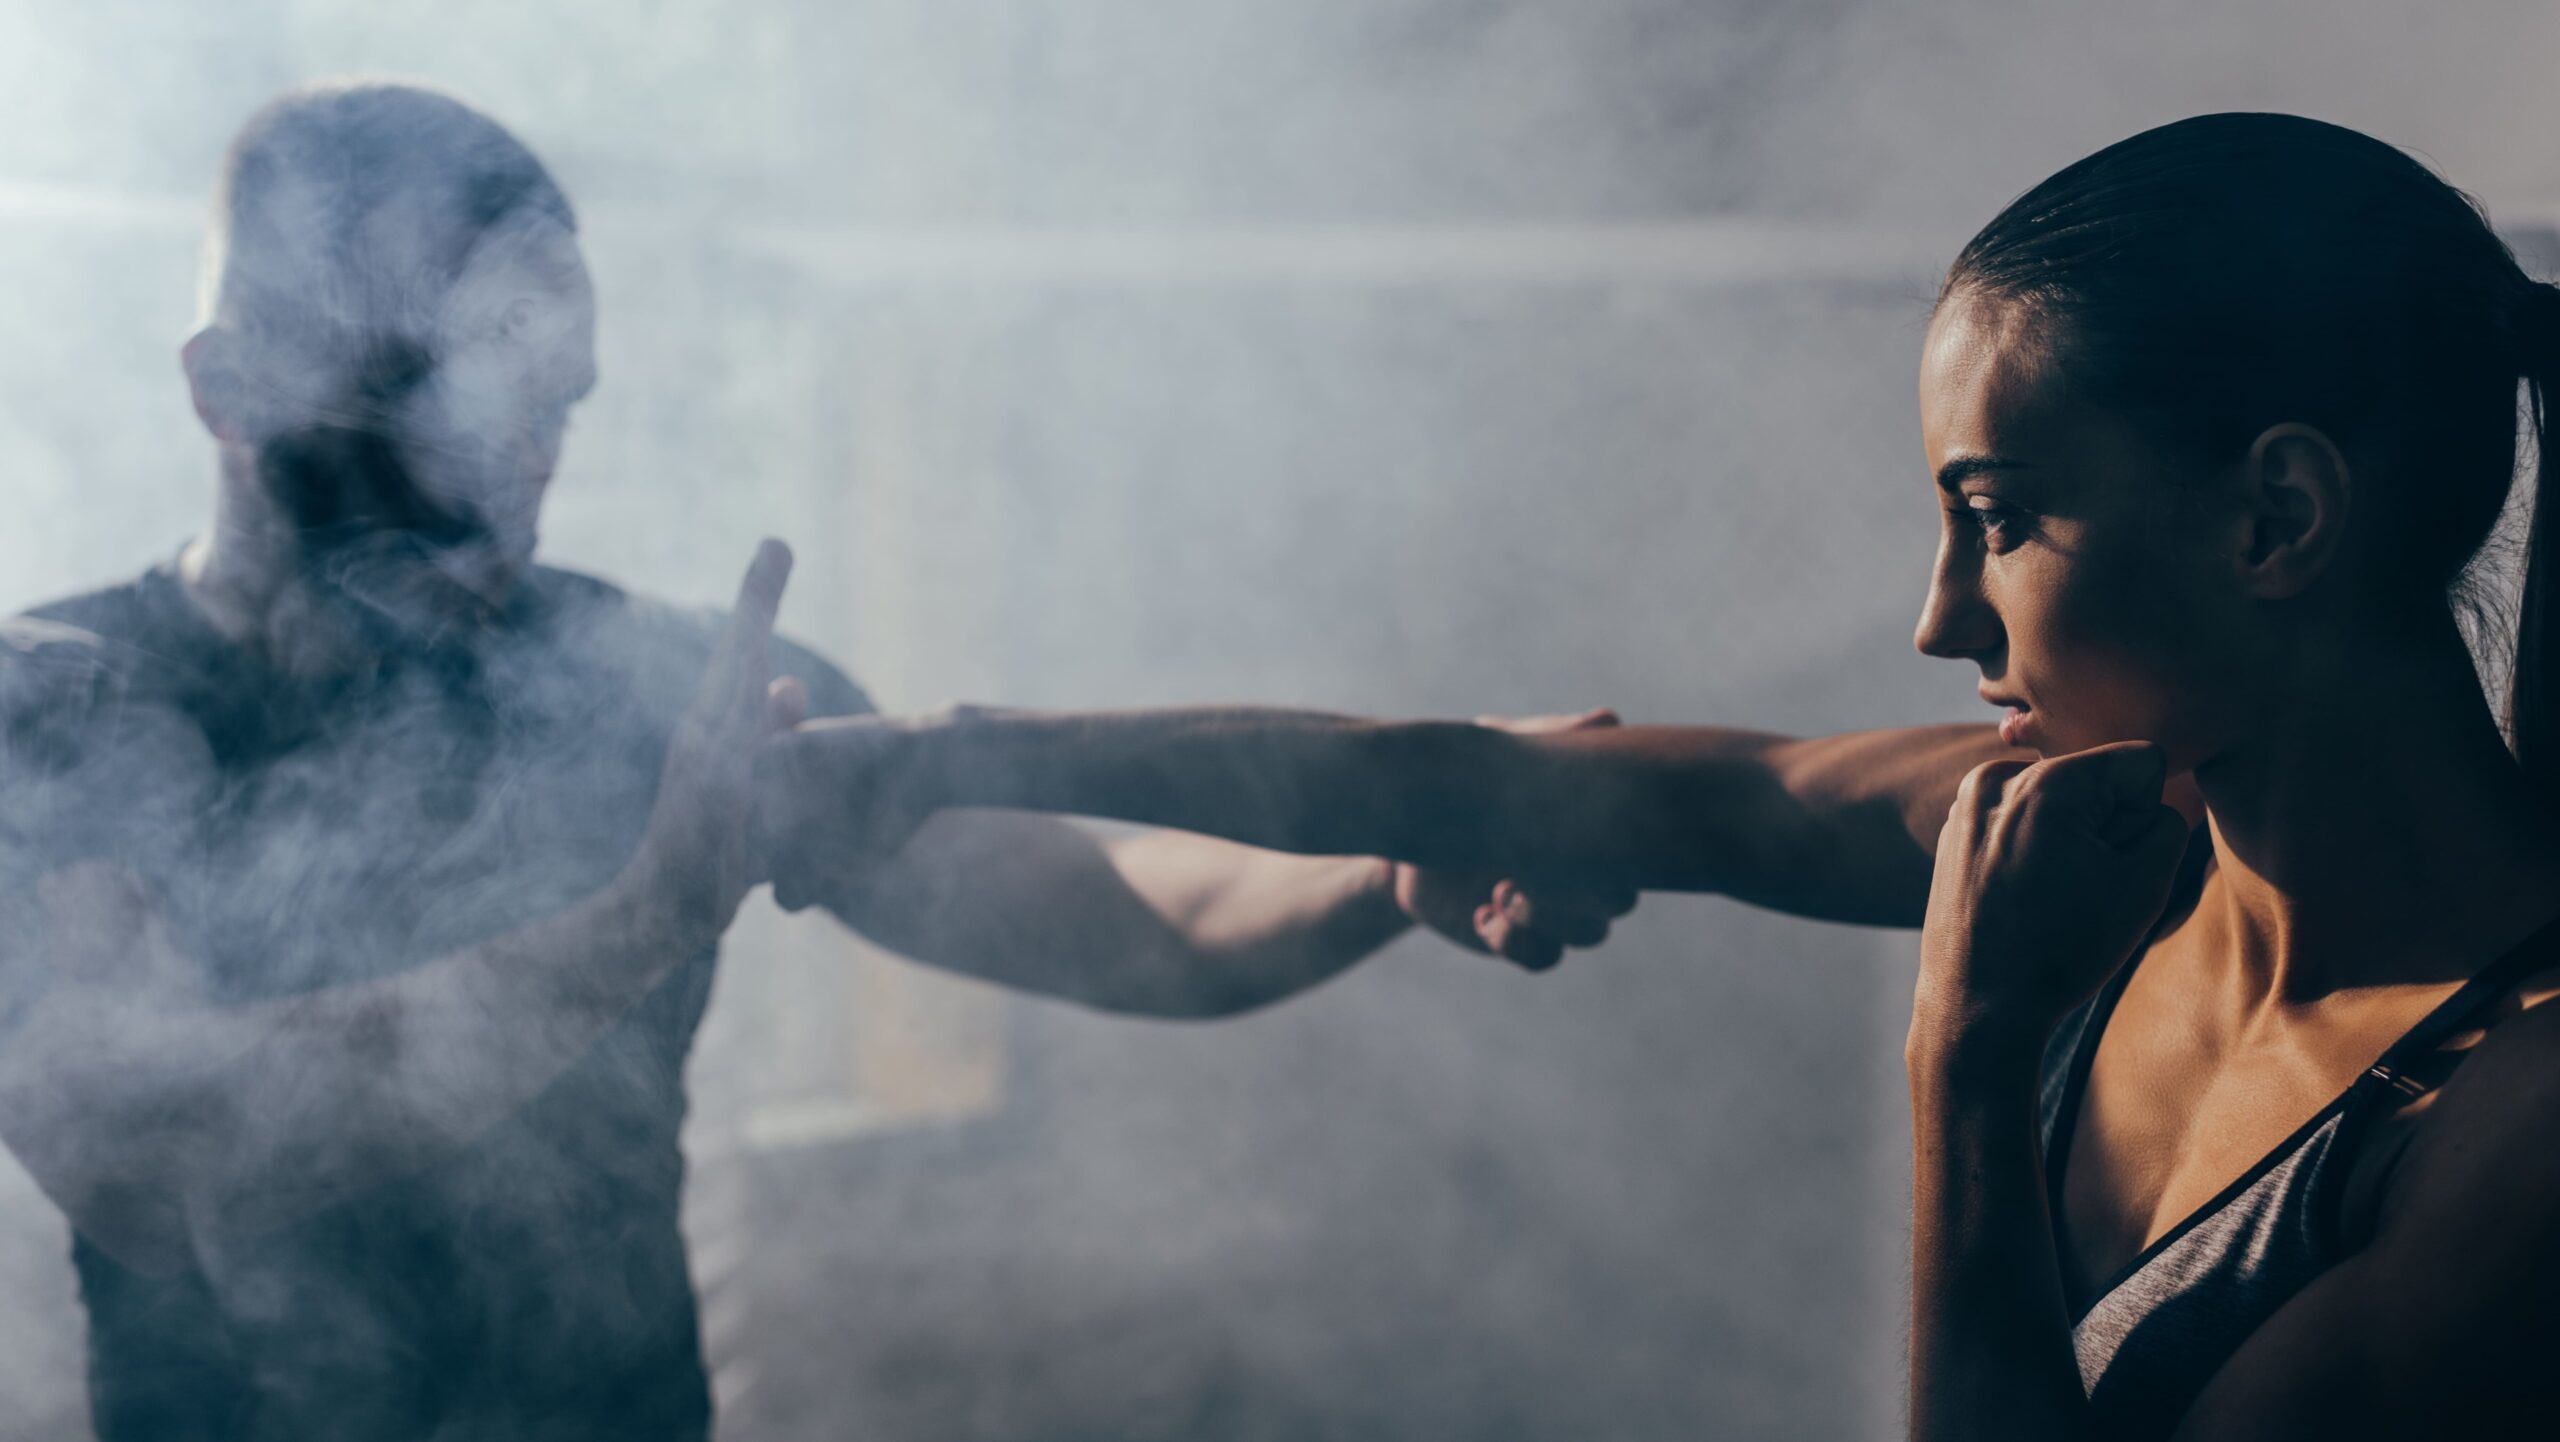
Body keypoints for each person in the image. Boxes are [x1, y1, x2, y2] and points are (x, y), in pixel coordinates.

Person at [757, 113, 2560, 1437]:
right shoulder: (2117, 845)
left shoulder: (2511, 1130)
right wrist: (940, 757)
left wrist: (1970, 1049)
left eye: (1996, 522)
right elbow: (1480, 780)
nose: (1941, 619)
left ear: (2276, 517)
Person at [0, 82, 1651, 1442]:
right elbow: (162, 1157)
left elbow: (1108, 911)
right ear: (230, 387)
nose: (511, 470)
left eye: (547, 404)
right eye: (437, 397)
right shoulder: (57, 705)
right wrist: (645, 912)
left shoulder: (658, 684)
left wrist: (1380, 859)